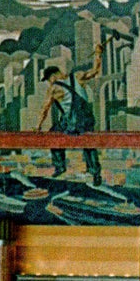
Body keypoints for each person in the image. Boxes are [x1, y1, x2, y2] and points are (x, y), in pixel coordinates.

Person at [35, 41, 105, 186]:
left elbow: (44, 109)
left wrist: (37, 126)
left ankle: (60, 166)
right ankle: (95, 172)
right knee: (89, 141)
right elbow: (95, 70)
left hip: (72, 124)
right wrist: (98, 54)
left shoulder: (54, 88)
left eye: (48, 80)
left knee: (53, 133)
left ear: (53, 77)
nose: (48, 83)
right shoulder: (78, 76)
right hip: (87, 121)